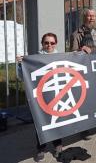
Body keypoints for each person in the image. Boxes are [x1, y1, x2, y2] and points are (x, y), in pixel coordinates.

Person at [17, 33, 62, 162]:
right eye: (46, 43)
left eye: (52, 43)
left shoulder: (60, 57)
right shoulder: (34, 59)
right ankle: (41, 148)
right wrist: (21, 65)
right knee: (41, 122)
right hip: (40, 96)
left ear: (55, 44)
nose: (49, 45)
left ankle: (58, 144)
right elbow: (22, 77)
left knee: (57, 120)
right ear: (42, 44)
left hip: (57, 94)